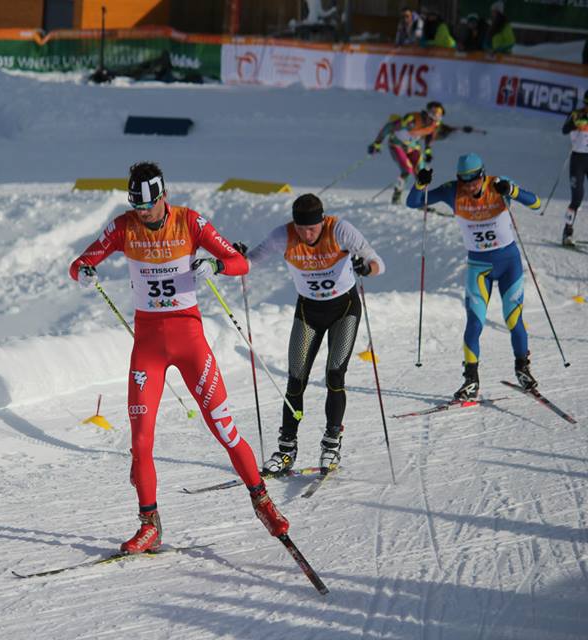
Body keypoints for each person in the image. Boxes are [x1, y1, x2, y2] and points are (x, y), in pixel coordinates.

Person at [68, 162, 289, 553]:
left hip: (189, 341)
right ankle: (149, 524)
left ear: (164, 196)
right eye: (138, 207)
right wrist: (83, 270)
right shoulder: (123, 227)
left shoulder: (191, 222)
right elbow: (81, 261)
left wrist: (217, 265)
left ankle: (262, 500)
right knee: (140, 441)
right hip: (148, 346)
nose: (145, 215)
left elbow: (241, 264)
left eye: (150, 207)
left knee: (223, 427)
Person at [239, 194, 385, 474]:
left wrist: (366, 267)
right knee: (296, 378)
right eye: (302, 229)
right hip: (309, 312)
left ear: (322, 222)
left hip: (344, 309)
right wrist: (235, 256)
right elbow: (250, 261)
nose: (307, 234)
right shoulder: (282, 236)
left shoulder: (340, 230)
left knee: (334, 374)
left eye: (313, 229)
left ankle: (331, 445)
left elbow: (378, 262)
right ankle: (286, 450)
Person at [406, 153, 541, 400]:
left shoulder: (497, 184)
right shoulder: (451, 192)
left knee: (513, 319)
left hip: (509, 263)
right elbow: (413, 202)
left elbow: (536, 203)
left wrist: (511, 190)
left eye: (473, 180)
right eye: (464, 181)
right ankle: (471, 380)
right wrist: (420, 183)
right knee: (474, 324)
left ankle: (523, 369)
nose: (469, 186)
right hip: (479, 266)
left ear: (482, 175)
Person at [368, 101, 445, 204]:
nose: (435, 119)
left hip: (412, 147)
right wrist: (377, 143)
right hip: (397, 145)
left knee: (421, 173)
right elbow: (389, 127)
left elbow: (430, 136)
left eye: (439, 115)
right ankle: (396, 196)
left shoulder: (435, 125)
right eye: (433, 114)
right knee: (407, 170)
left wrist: (428, 150)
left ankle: (420, 200)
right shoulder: (413, 120)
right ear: (427, 112)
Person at [562, 90, 588, 246]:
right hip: (578, 159)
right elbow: (564, 129)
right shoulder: (576, 114)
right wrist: (575, 124)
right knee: (577, 198)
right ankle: (567, 232)